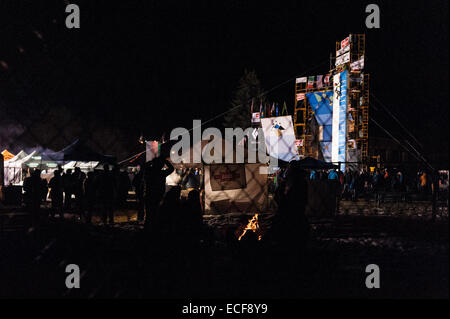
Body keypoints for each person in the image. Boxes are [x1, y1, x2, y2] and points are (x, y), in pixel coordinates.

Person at [143, 156, 174, 229]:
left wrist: (151, 161)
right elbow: (171, 169)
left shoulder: (149, 171)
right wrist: (166, 161)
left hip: (149, 194)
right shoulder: (161, 173)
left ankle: (148, 227)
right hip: (158, 194)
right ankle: (153, 227)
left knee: (149, 212)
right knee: (156, 212)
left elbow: (143, 166)